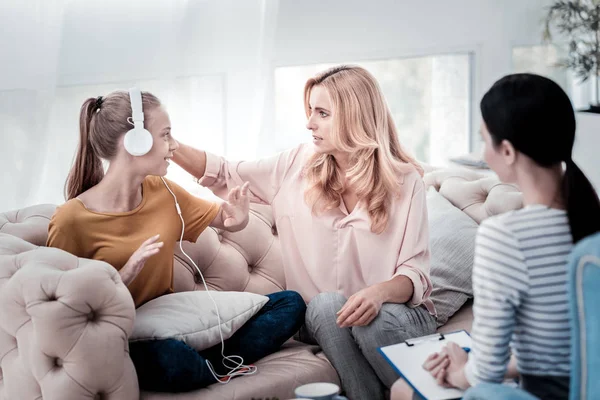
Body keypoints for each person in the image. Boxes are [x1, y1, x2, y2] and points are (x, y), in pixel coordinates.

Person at [172, 65, 438, 400]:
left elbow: (415, 273)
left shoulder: (405, 180)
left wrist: (378, 294)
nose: (309, 123)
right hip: (323, 321)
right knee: (327, 306)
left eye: (322, 113)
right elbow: (223, 172)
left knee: (373, 320)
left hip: (394, 317)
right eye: (311, 111)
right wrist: (170, 144)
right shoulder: (295, 165)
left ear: (354, 116)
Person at [46, 89, 306, 393]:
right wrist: (122, 277)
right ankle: (210, 364)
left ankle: (209, 366)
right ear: (135, 141)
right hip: (124, 340)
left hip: (176, 322)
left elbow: (225, 220)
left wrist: (239, 216)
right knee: (172, 359)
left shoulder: (161, 190)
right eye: (166, 135)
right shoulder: (71, 220)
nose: (173, 147)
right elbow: (61, 313)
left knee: (290, 304)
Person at [423, 73, 600, 400]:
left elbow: (485, 373)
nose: (483, 153)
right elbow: (568, 350)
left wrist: (461, 369)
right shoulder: (590, 220)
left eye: (484, 140)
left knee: (406, 389)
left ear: (506, 151)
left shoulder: (504, 236)